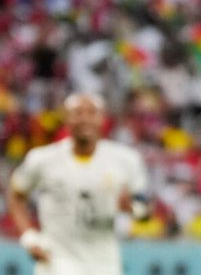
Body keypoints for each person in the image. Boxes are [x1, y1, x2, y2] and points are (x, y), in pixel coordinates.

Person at [6, 92, 150, 275]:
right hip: (56, 262)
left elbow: (144, 208)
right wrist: (29, 237)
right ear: (66, 118)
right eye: (78, 113)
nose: (85, 119)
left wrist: (132, 208)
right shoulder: (42, 159)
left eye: (91, 112)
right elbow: (16, 195)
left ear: (102, 118)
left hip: (104, 264)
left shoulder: (126, 160)